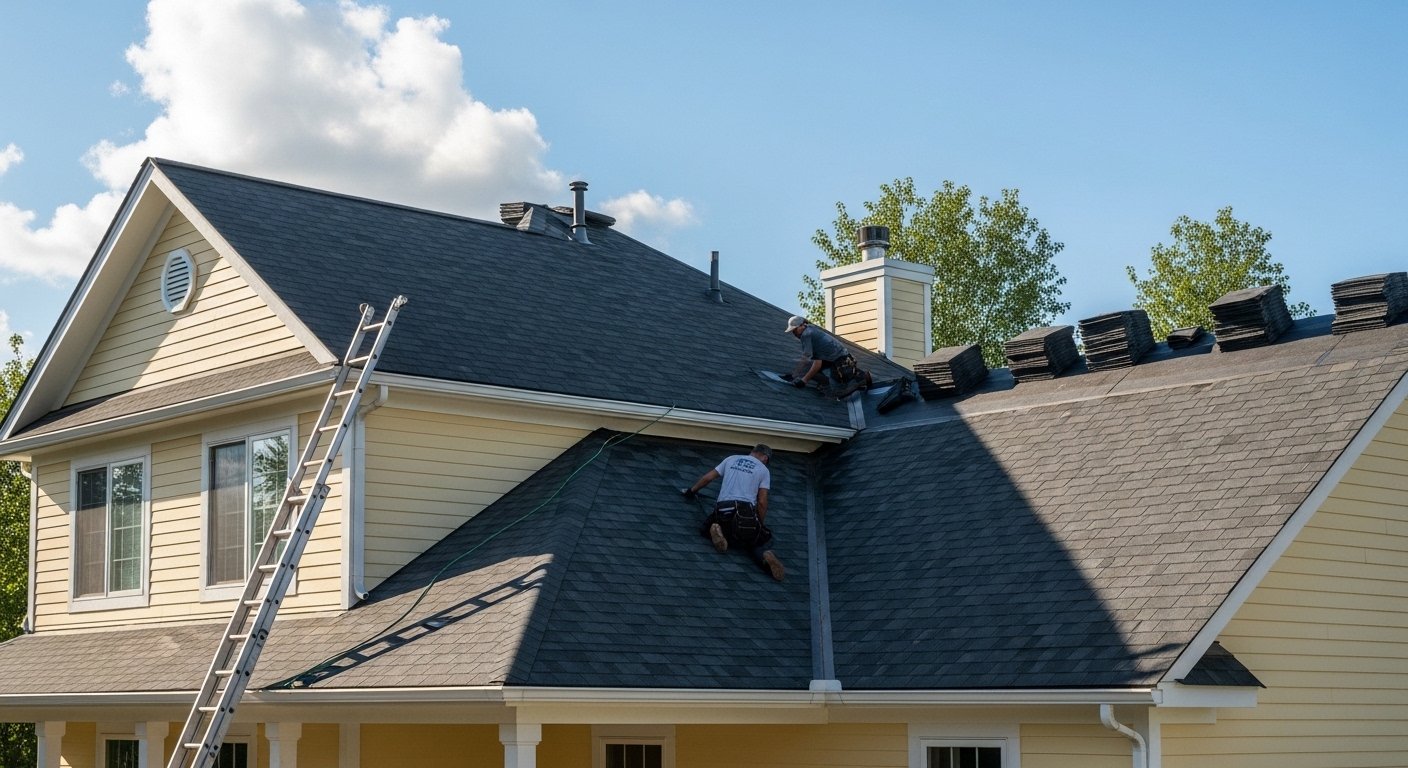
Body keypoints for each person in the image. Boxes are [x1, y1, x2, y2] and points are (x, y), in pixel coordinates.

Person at [681, 444, 785, 581]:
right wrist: (759, 523)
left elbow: (708, 478)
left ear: (753, 452)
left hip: (722, 510)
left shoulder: (731, 459)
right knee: (756, 540)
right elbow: (762, 501)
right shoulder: (763, 470)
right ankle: (766, 556)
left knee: (705, 529)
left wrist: (691, 491)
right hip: (745, 514)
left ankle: (720, 535)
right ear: (765, 458)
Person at [784, 315, 872, 397]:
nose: (794, 333)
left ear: (802, 325)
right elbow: (810, 359)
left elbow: (816, 363)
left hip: (840, 362)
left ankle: (861, 379)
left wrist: (803, 380)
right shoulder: (810, 329)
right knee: (807, 367)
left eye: (795, 330)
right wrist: (795, 375)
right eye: (792, 331)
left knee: (837, 393)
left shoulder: (807, 335)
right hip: (840, 359)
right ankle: (828, 382)